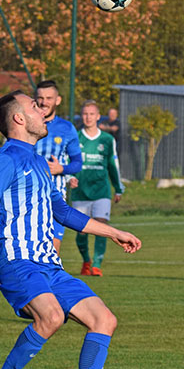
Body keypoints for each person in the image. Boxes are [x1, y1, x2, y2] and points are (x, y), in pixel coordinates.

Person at [0, 90, 141, 369]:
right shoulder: (7, 159)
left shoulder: (38, 160)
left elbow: (61, 211)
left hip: (49, 263)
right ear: (19, 119)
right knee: (51, 317)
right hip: (16, 260)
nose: (42, 111)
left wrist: (112, 232)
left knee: (104, 320)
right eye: (34, 107)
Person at [70, 100, 125, 277]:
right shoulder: (75, 138)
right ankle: (86, 260)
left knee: (101, 225)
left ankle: (97, 264)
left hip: (101, 191)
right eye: (85, 114)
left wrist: (118, 188)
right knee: (81, 230)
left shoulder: (107, 139)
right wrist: (69, 178)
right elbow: (68, 163)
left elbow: (112, 164)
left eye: (91, 114)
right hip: (80, 191)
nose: (88, 117)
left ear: (98, 116)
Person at [33, 80, 82, 254]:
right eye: (40, 98)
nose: (43, 102)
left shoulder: (66, 128)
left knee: (53, 250)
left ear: (58, 100)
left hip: (55, 196)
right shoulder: (26, 124)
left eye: (48, 98)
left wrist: (61, 169)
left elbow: (77, 163)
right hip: (28, 194)